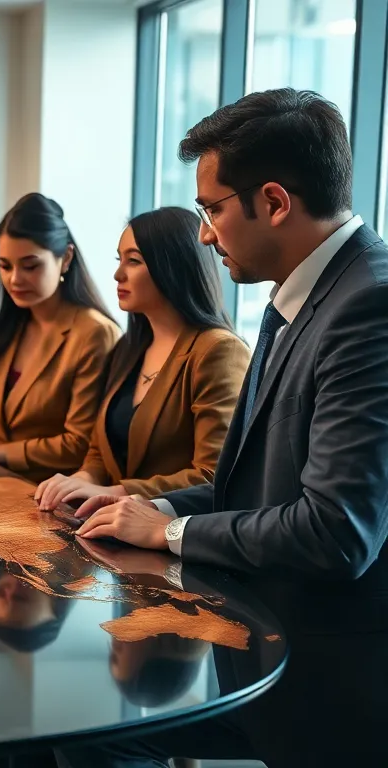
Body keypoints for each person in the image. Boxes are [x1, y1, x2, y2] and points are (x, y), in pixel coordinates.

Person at [60, 89, 388, 766]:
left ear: (273, 202)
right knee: (49, 732)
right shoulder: (293, 297)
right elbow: (250, 486)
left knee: (88, 738)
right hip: (251, 642)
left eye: (211, 209)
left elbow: (337, 533)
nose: (205, 233)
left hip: (321, 684)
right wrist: (147, 506)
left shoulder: (368, 308)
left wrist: (170, 531)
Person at [34, 207, 249, 509]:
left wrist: (117, 492)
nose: (117, 274)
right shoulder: (128, 348)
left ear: (173, 265)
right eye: (119, 260)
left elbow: (213, 475)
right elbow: (100, 451)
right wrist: (81, 480)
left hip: (173, 536)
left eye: (133, 261)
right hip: (111, 526)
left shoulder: (217, 351)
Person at [0, 193, 119, 482]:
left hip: (48, 497)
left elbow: (79, 444)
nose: (15, 279)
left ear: (65, 258)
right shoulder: (13, 323)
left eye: (31, 266)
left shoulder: (93, 333)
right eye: (5, 266)